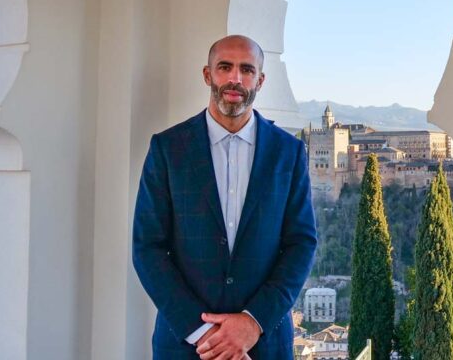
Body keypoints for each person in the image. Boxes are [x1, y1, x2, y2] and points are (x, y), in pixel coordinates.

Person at [133, 35, 318, 359]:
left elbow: (301, 244)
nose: (235, 78)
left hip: (263, 344)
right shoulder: (168, 149)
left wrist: (252, 322)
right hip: (185, 346)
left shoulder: (288, 153)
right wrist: (206, 334)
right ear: (208, 75)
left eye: (246, 70)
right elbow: (147, 247)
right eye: (225, 67)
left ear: (260, 80)